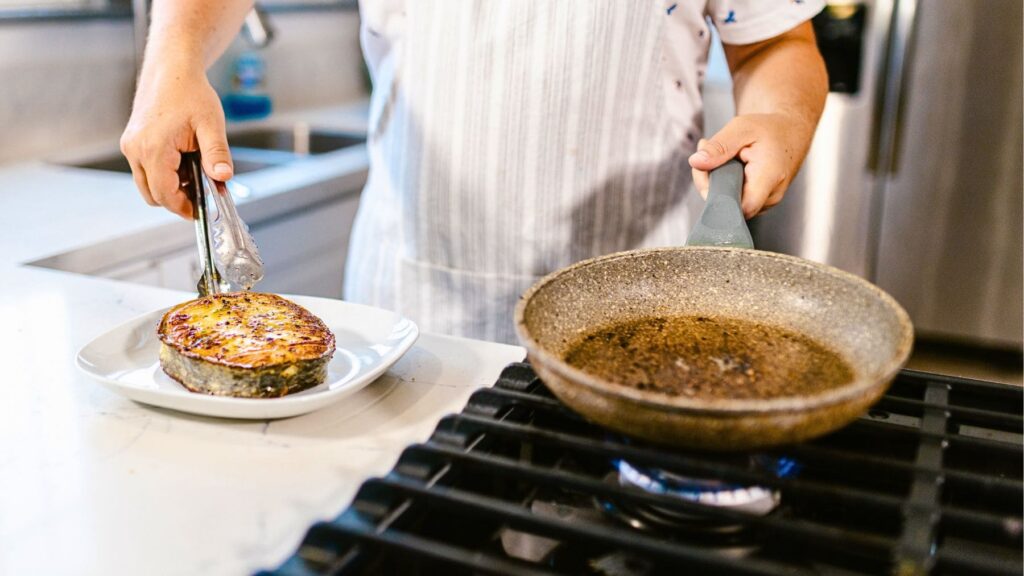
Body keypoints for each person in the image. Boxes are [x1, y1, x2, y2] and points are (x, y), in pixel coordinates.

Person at [122, 1, 827, 344]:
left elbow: (775, 44)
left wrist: (782, 119)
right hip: (413, 307)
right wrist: (173, 60)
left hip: (636, 307)